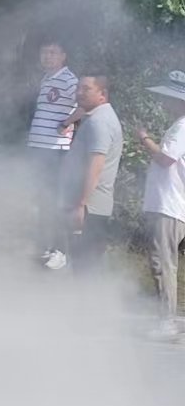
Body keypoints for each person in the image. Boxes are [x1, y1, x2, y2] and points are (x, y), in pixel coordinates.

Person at [57, 73, 123, 274]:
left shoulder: (99, 122)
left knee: (85, 266)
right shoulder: (97, 118)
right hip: (90, 206)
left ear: (102, 94)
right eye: (79, 88)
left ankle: (87, 304)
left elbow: (95, 166)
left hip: (89, 208)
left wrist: (80, 205)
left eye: (86, 89)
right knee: (83, 263)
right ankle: (86, 302)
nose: (79, 93)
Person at [138, 69, 185, 338]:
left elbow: (166, 159)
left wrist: (144, 138)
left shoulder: (182, 126)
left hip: (169, 205)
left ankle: (166, 322)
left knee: (163, 263)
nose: (163, 102)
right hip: (168, 205)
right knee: (161, 261)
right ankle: (164, 319)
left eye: (167, 97)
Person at [27, 39, 79, 266]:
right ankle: (45, 247)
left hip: (56, 150)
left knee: (56, 200)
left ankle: (61, 251)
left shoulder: (69, 79)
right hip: (40, 148)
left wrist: (67, 122)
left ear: (63, 56)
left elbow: (84, 105)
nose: (47, 57)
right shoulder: (46, 79)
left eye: (52, 52)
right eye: (44, 53)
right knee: (43, 200)